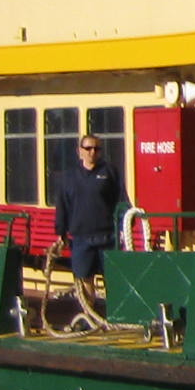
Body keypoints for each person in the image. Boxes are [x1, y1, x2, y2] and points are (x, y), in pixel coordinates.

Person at [52, 132, 129, 329]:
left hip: (108, 236)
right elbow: (62, 206)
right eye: (88, 148)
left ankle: (117, 318)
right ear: (80, 151)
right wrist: (61, 233)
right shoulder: (68, 178)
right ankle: (90, 318)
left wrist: (124, 226)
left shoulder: (109, 172)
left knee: (112, 278)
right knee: (85, 278)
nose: (92, 152)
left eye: (96, 149)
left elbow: (122, 201)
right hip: (81, 238)